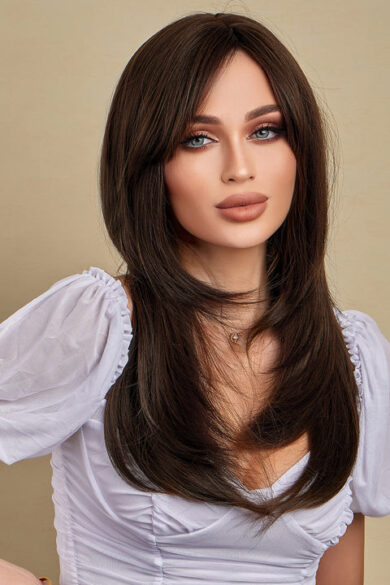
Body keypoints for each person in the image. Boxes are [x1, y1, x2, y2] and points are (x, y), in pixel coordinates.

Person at [1, 11, 389, 585]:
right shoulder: (103, 321)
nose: (240, 168)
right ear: (148, 162)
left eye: (265, 131)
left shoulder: (352, 354)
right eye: (198, 139)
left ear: (299, 152)